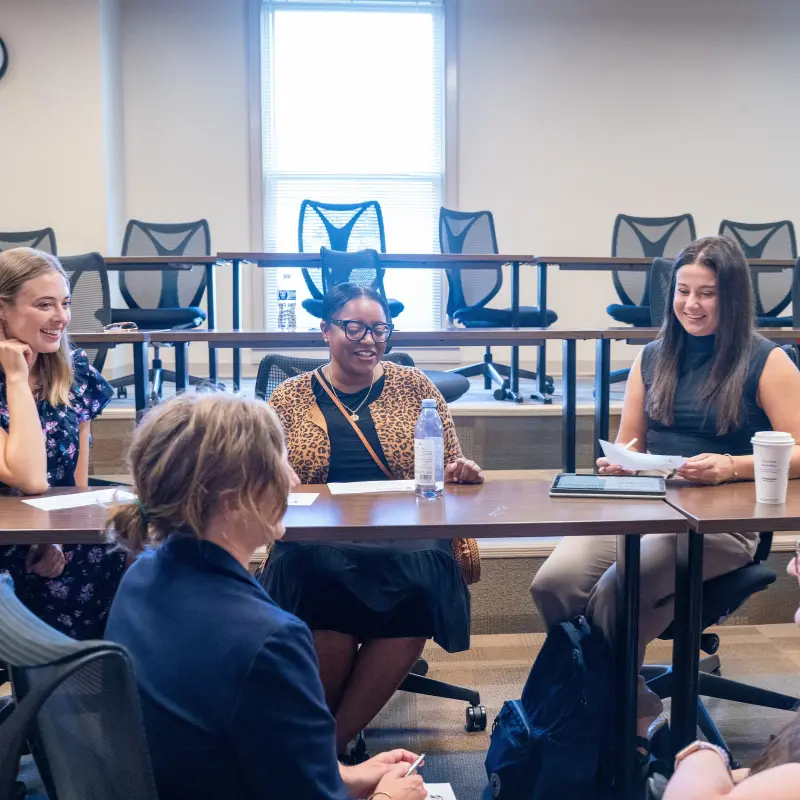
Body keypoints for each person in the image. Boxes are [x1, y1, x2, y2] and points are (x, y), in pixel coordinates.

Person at [530, 235, 800, 757]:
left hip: (724, 524)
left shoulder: (766, 361)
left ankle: (620, 725)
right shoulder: (653, 358)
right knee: (554, 583)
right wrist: (622, 461)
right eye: (683, 291)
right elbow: (630, 440)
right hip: (650, 504)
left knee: (616, 592)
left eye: (707, 294)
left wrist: (730, 466)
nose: (691, 305)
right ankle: (624, 702)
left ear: (732, 297)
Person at [105, 393, 426, 800]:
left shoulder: (140, 577)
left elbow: (232, 743)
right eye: (280, 464)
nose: (292, 481)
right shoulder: (270, 639)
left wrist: (342, 777)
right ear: (233, 501)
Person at [261, 283, 482, 753]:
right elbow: (267, 478)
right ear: (326, 331)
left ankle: (328, 747)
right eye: (355, 328)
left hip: (405, 535)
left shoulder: (414, 386)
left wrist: (461, 471)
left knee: (423, 573)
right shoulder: (288, 396)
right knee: (320, 573)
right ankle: (326, 747)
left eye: (380, 329)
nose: (370, 339)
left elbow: (449, 463)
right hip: (317, 536)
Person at [0, 247, 126, 639]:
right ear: (2, 309)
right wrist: (16, 378)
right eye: (44, 305)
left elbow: (77, 484)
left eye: (65, 304)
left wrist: (54, 538)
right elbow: (30, 477)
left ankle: (106, 669)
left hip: (54, 532)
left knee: (133, 547)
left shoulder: (73, 370)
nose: (61, 318)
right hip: (7, 538)